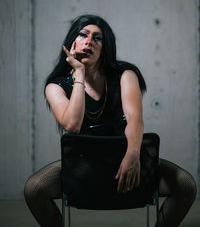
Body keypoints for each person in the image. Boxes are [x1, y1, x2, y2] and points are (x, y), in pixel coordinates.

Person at [24, 14, 197, 227]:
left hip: (128, 159)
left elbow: (135, 118)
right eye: (83, 34)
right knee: (34, 189)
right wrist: (79, 73)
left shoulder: (125, 75)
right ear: (72, 42)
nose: (89, 41)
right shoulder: (55, 86)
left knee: (186, 185)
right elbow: (72, 125)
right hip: (82, 166)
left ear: (105, 48)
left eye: (98, 38)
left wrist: (133, 154)